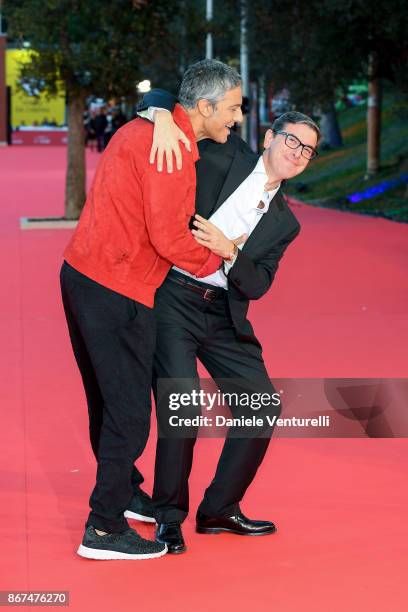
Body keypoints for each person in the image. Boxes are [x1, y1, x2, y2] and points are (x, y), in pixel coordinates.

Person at [60, 60, 245, 560]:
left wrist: (158, 105)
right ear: (204, 107)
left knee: (105, 400)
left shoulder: (150, 126)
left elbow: (158, 102)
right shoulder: (173, 148)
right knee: (129, 412)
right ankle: (101, 528)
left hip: (83, 273)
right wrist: (222, 257)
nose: (238, 116)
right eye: (232, 107)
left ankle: (122, 491)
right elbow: (169, 238)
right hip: (116, 286)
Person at [136, 66, 320, 554]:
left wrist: (229, 251)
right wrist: (158, 116)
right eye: (291, 141)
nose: (296, 154)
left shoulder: (286, 224)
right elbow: (166, 95)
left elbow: (257, 284)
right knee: (183, 408)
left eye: (307, 150)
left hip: (224, 315)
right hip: (174, 297)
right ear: (268, 137)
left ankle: (219, 508)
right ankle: (168, 515)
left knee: (263, 406)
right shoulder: (222, 151)